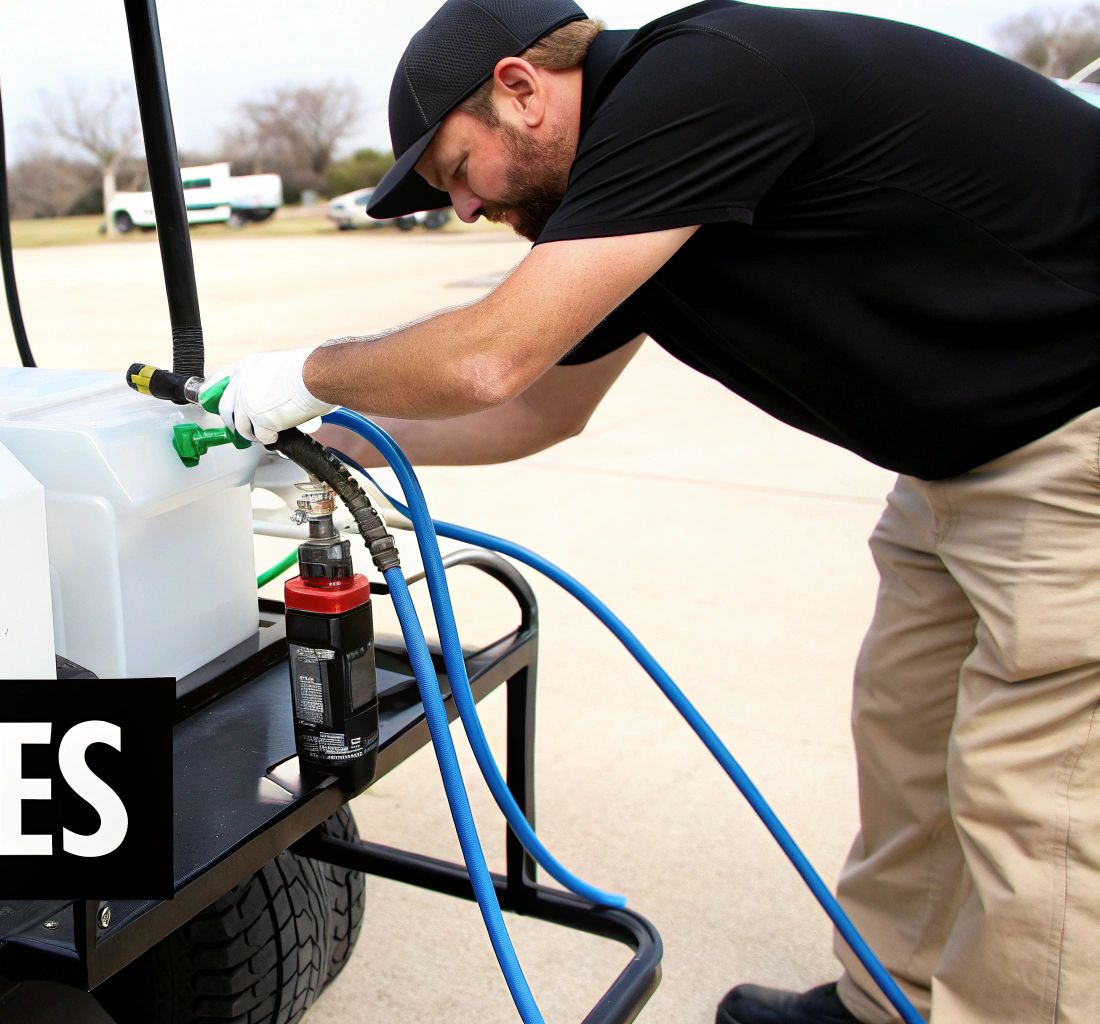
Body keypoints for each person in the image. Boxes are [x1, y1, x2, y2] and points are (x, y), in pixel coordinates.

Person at [214, 1, 1100, 1021]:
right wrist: (330, 444)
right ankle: (881, 1001)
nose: (459, 207)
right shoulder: (635, 186)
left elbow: (486, 355)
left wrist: (306, 373)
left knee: (1038, 798)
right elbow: (544, 404)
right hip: (958, 463)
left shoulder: (699, 80)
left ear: (518, 88)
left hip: (1069, 437)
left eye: (457, 169)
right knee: (905, 738)